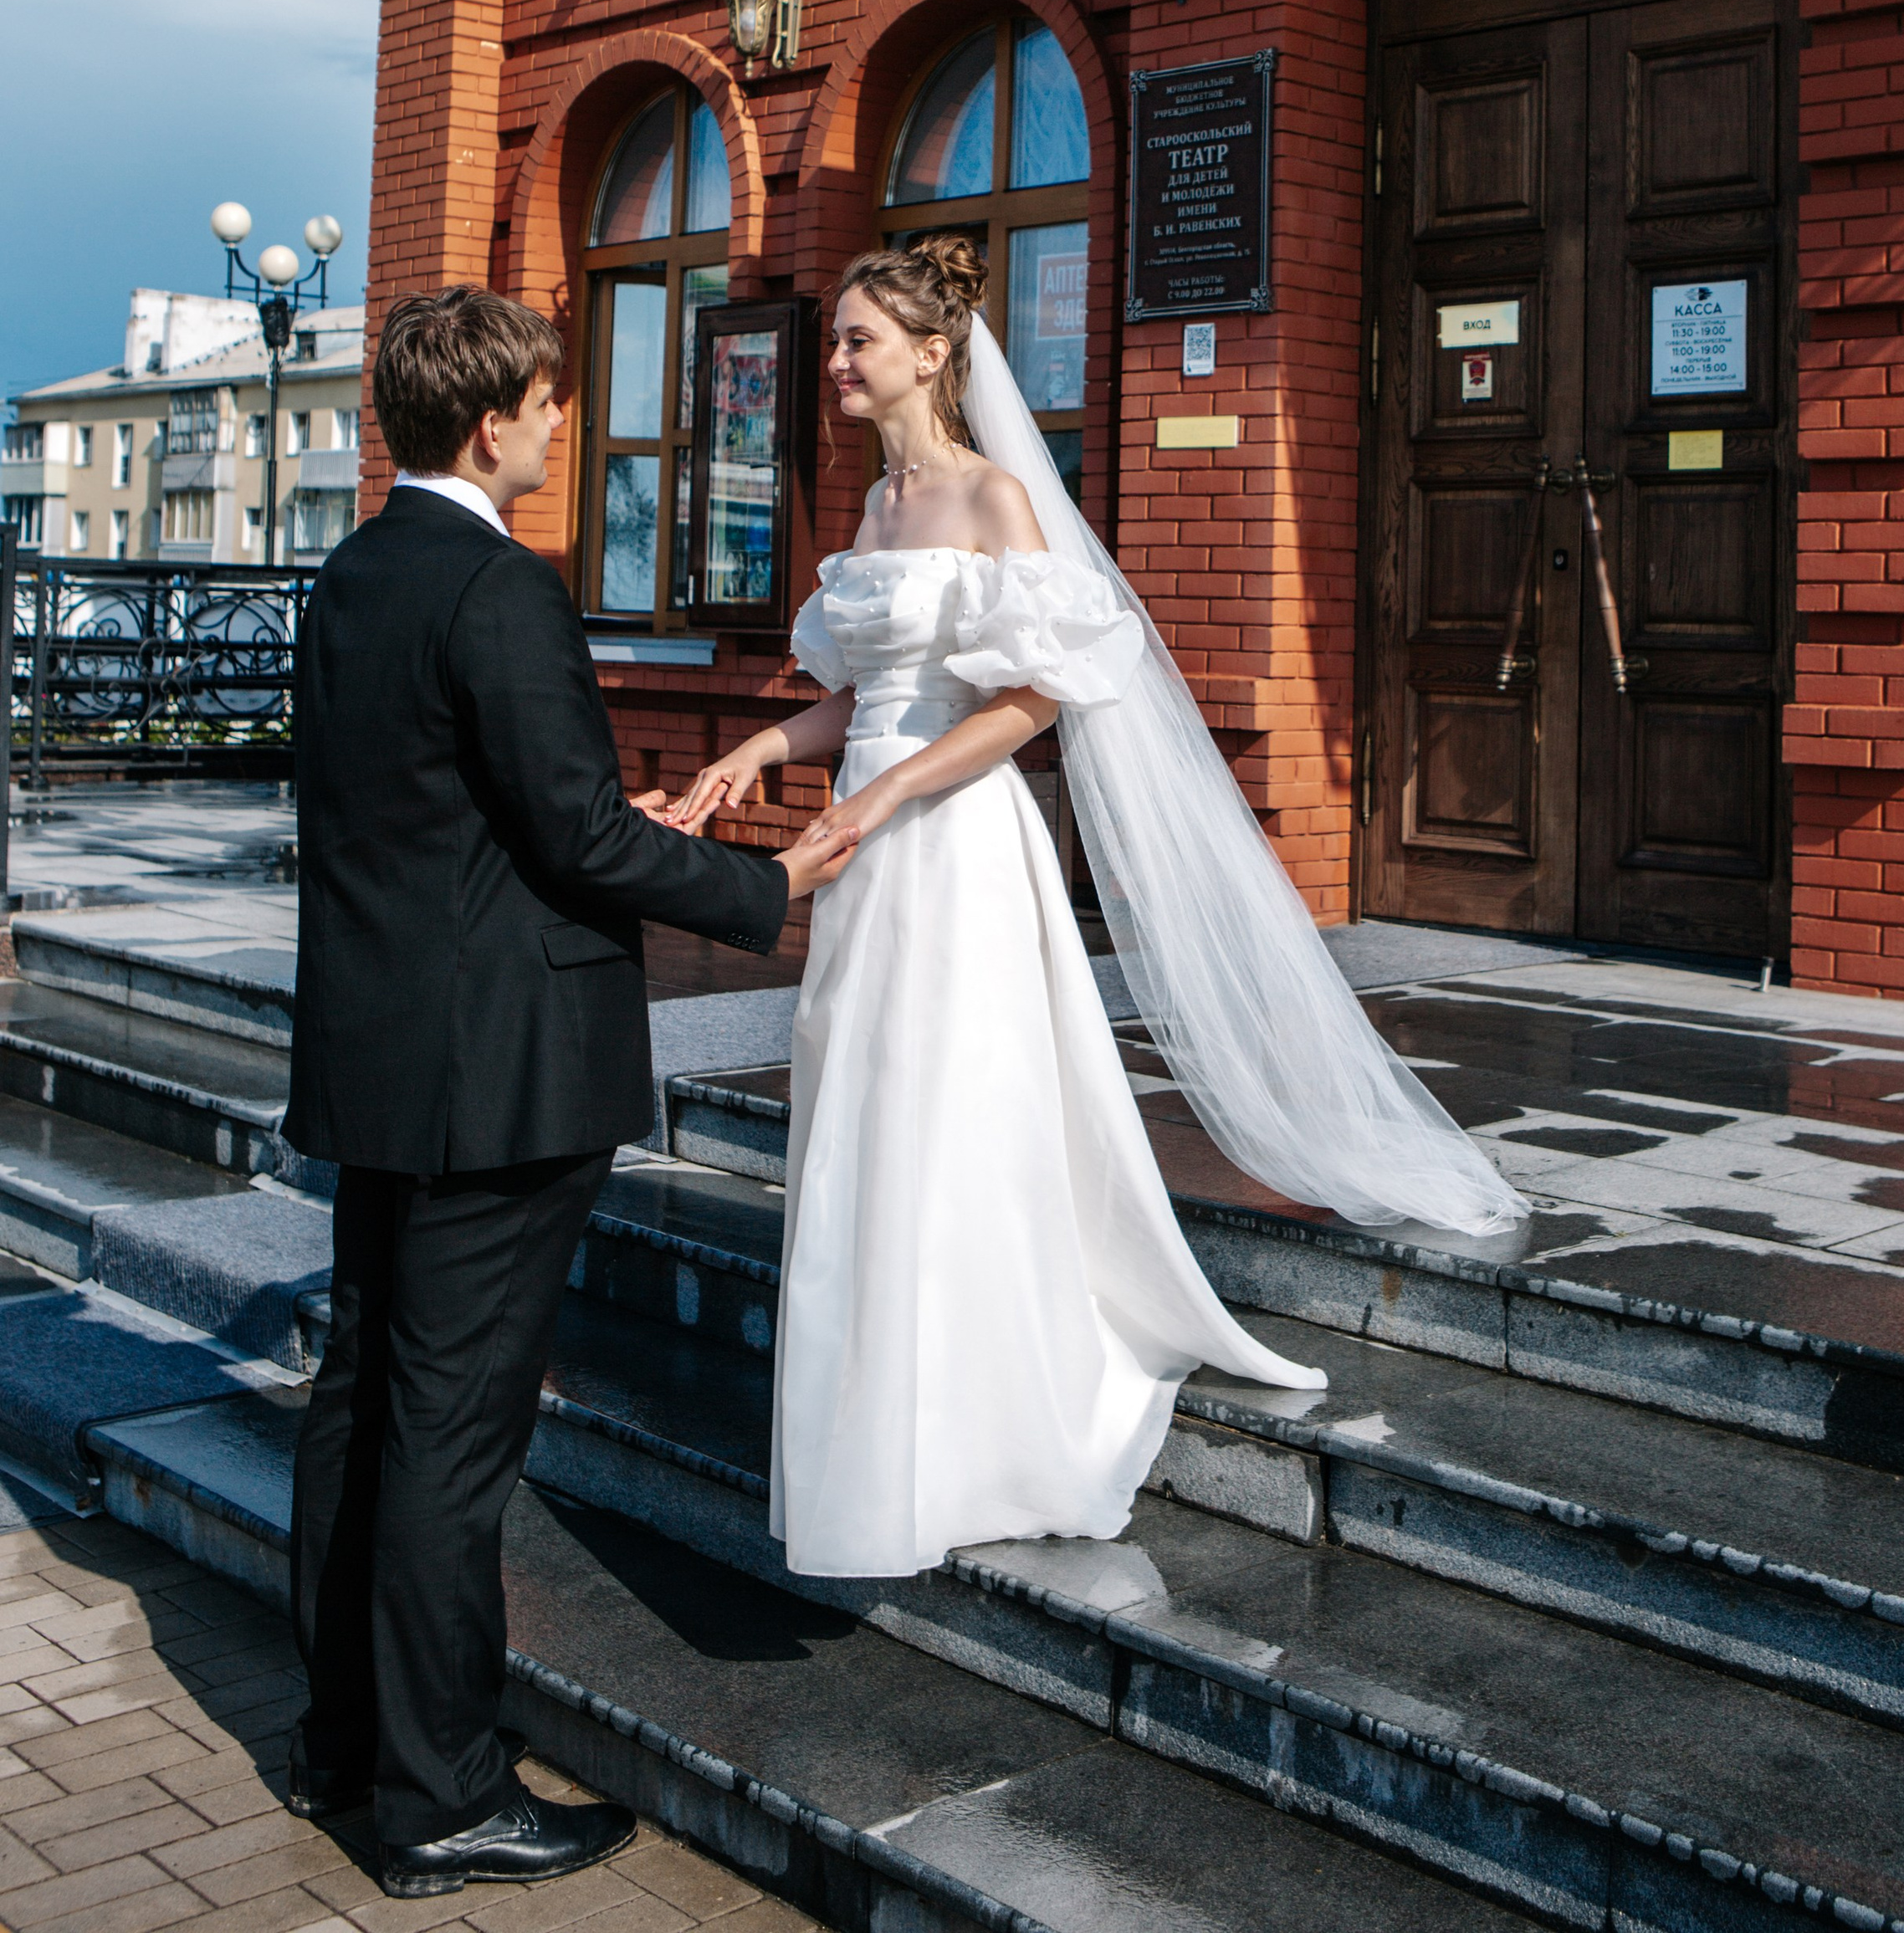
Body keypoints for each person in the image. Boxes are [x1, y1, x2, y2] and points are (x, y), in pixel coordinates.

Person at [666, 240, 1519, 1583]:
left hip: (950, 842)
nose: (835, 361)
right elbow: (869, 695)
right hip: (866, 848)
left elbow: (1031, 701)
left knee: (955, 1103)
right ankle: (875, 1416)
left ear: (934, 352)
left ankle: (992, 1418)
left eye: (857, 341)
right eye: (835, 341)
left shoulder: (997, 496)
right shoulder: (878, 507)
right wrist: (762, 755)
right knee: (865, 1104)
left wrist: (878, 803)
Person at [283, 285, 857, 1899]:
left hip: (385, 1057)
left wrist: (605, 812)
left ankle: (349, 1739)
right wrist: (770, 876)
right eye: (548, 400)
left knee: (365, 1407)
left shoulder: (354, 574)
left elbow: (457, 811)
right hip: (499, 1076)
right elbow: (576, 840)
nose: (562, 422)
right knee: (452, 1440)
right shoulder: (500, 589)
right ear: (491, 421)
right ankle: (443, 1794)